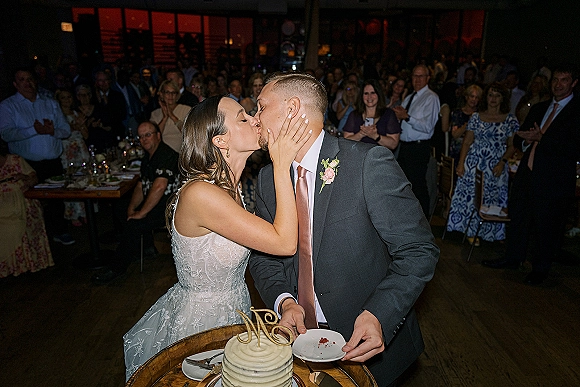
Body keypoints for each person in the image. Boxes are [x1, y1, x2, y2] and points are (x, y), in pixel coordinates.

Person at [249, 73, 439, 386]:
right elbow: (263, 256)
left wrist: (378, 314)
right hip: (299, 344)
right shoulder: (268, 180)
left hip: (365, 344)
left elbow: (418, 250)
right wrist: (285, 301)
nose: (256, 119)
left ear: (293, 108)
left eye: (261, 107)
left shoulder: (366, 163)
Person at [123, 96, 311, 379]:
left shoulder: (229, 189)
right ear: (220, 141)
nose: (255, 119)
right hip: (201, 323)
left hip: (234, 311)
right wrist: (281, 165)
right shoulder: (201, 194)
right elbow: (284, 243)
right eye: (242, 118)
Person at [482, 65, 580, 285]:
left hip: (553, 178)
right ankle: (512, 257)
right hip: (528, 171)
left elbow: (574, 147)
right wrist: (526, 139)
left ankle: (540, 269)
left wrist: (542, 139)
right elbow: (518, 138)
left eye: (564, 79)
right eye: (556, 79)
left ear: (573, 83)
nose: (558, 84)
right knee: (519, 217)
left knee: (546, 225)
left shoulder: (575, 111)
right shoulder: (540, 107)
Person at [92, 121, 180, 285]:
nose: (144, 139)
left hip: (168, 207)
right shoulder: (148, 155)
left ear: (158, 136)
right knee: (120, 208)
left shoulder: (166, 155)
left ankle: (117, 267)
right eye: (141, 136)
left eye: (148, 135)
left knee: (134, 224)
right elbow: (141, 185)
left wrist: (141, 212)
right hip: (155, 202)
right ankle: (146, 247)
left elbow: (160, 187)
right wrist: (132, 208)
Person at [0, 68, 74, 245]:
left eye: (30, 79)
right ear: (15, 84)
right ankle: (36, 240)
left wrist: (52, 131)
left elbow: (66, 130)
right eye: (22, 80)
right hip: (27, 164)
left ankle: (60, 231)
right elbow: (6, 134)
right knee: (32, 204)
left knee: (56, 200)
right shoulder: (8, 106)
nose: (27, 83)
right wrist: (34, 130)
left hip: (52, 161)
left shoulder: (50, 103)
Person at [446, 82, 519, 244]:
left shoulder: (510, 120)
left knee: (492, 198)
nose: (493, 99)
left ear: (503, 99)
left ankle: (491, 233)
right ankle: (471, 232)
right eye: (490, 95)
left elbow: (513, 144)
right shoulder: (476, 117)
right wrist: (461, 163)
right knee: (472, 198)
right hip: (474, 163)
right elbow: (466, 142)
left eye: (497, 95)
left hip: (496, 166)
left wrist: (502, 162)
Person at [0, 140, 54, 278]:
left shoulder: (15, 160)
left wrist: (24, 178)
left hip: (20, 201)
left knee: (12, 224)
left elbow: (34, 179)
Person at [393, 64, 441, 217]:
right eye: (415, 76)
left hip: (418, 148)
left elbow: (428, 127)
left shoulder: (431, 98)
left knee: (418, 185)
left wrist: (406, 117)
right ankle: (408, 218)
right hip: (405, 146)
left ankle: (424, 222)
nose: (417, 79)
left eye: (421, 76)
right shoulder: (409, 97)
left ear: (427, 78)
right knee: (403, 185)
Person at [55, 89, 90, 226]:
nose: (67, 100)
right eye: (63, 97)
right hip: (67, 150)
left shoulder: (78, 113)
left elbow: (86, 135)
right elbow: (64, 132)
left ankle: (84, 212)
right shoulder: (58, 116)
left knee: (83, 179)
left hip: (80, 149)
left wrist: (81, 126)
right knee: (70, 180)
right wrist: (75, 126)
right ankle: (73, 214)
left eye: (69, 96)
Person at [343, 79, 401, 150]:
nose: (369, 97)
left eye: (373, 93)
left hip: (380, 159)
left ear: (378, 94)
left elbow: (393, 144)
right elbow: (345, 142)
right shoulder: (354, 115)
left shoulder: (388, 114)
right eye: (366, 93)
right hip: (358, 158)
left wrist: (375, 136)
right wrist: (361, 134)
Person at [149, 80, 191, 153]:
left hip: (179, 153)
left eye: (173, 93)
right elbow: (153, 138)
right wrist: (164, 118)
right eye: (167, 92)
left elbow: (189, 133)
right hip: (161, 153)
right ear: (161, 94)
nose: (170, 96)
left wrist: (172, 117)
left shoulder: (186, 109)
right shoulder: (155, 114)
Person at [447, 84, 483, 165]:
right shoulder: (457, 113)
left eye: (476, 97)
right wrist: (469, 123)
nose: (473, 99)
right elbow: (455, 135)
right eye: (472, 96)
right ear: (467, 97)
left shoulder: (481, 115)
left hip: (473, 153)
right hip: (457, 153)